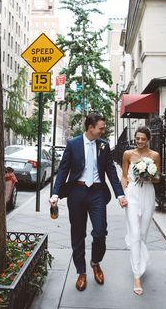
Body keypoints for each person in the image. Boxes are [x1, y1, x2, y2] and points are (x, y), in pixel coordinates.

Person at [49, 113, 128, 291]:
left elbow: (111, 172)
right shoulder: (73, 144)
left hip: (98, 193)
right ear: (90, 127)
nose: (103, 130)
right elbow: (63, 170)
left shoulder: (104, 145)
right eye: (100, 128)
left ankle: (95, 262)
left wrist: (120, 195)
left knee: (100, 231)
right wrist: (55, 193)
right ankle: (81, 272)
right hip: (77, 192)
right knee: (78, 234)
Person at [121, 126, 161, 296]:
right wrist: (122, 195)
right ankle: (137, 275)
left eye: (142, 139)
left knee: (142, 234)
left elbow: (158, 179)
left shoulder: (155, 156)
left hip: (148, 194)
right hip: (132, 195)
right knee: (135, 233)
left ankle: (140, 259)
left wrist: (149, 176)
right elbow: (124, 176)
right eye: (137, 138)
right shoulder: (128, 155)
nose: (139, 141)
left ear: (148, 140)